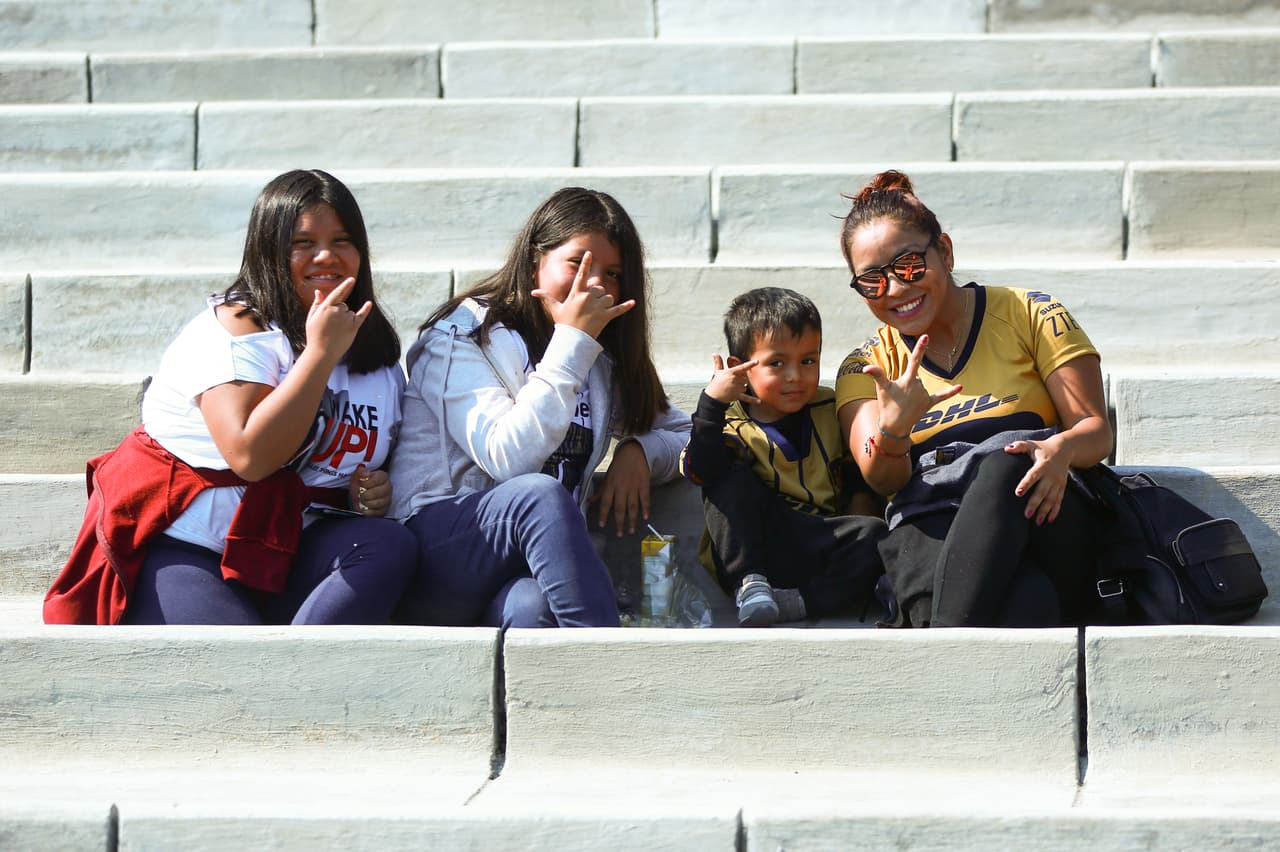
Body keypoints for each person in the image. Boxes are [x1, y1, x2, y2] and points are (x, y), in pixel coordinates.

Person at [44, 169, 416, 626]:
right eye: (303, 243)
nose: (327, 256)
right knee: (234, 653)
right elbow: (251, 456)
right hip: (188, 547)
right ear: (269, 251)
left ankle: (302, 667)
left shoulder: (374, 357)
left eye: (342, 240)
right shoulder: (231, 330)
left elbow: (362, 469)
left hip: (291, 548)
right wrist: (319, 354)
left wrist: (367, 492)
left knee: (390, 545)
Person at [388, 187, 690, 629]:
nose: (595, 284)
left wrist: (640, 451)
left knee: (532, 611)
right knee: (539, 496)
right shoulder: (464, 337)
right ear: (536, 259)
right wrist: (573, 342)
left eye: (612, 273)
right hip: (438, 551)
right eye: (578, 263)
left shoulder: (598, 356)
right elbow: (510, 459)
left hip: (522, 566)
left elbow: (686, 432)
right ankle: (617, 669)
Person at [835, 169, 1113, 628]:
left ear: (943, 250)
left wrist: (1058, 448)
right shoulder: (864, 366)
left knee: (1006, 462)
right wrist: (894, 429)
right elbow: (881, 478)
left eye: (908, 265)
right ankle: (958, 637)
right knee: (1029, 603)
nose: (897, 290)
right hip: (933, 528)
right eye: (872, 282)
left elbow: (1095, 430)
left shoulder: (1031, 312)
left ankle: (944, 648)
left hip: (1043, 511)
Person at [680, 287, 886, 627]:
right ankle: (751, 586)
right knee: (728, 479)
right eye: (777, 363)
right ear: (740, 369)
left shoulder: (830, 408)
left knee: (877, 535)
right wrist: (711, 404)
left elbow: (858, 480)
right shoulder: (728, 420)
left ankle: (802, 602)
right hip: (757, 547)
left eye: (808, 361)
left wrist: (858, 531)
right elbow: (700, 470)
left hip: (821, 539)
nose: (795, 376)